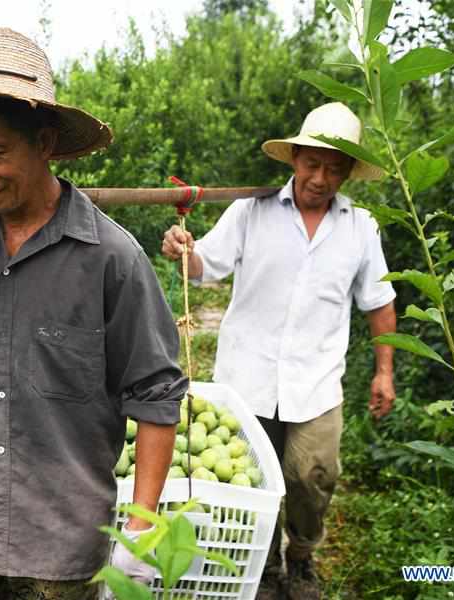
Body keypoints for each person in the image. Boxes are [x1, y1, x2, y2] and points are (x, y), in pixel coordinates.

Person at [0, 28, 187, 599]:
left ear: (45, 143)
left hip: (62, 542)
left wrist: (142, 528)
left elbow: (156, 394)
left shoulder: (111, 258)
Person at [161, 102, 397, 600]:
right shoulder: (251, 209)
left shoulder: (361, 227)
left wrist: (384, 371)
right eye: (312, 163)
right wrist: (185, 249)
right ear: (294, 159)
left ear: (349, 171)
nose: (320, 176)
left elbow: (379, 302)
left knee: (314, 476)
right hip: (247, 377)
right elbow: (207, 265)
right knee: (251, 481)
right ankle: (263, 566)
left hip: (316, 381)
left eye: (334, 167)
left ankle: (302, 556)